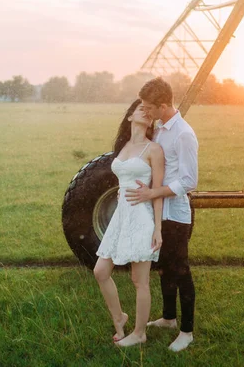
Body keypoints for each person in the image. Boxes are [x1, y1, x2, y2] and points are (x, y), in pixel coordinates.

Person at [125, 77, 199, 352]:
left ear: (164, 105)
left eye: (149, 107)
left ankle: (187, 331)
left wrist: (154, 193)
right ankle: (168, 318)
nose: (146, 112)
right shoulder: (160, 130)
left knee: (180, 270)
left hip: (176, 214)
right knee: (165, 266)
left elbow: (189, 181)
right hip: (157, 211)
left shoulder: (183, 134)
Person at [93, 98, 165, 347]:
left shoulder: (153, 150)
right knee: (100, 271)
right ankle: (119, 317)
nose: (146, 112)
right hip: (121, 216)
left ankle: (139, 333)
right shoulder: (122, 146)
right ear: (130, 116)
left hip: (142, 216)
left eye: (149, 110)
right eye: (140, 109)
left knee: (139, 281)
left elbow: (157, 191)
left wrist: (158, 227)